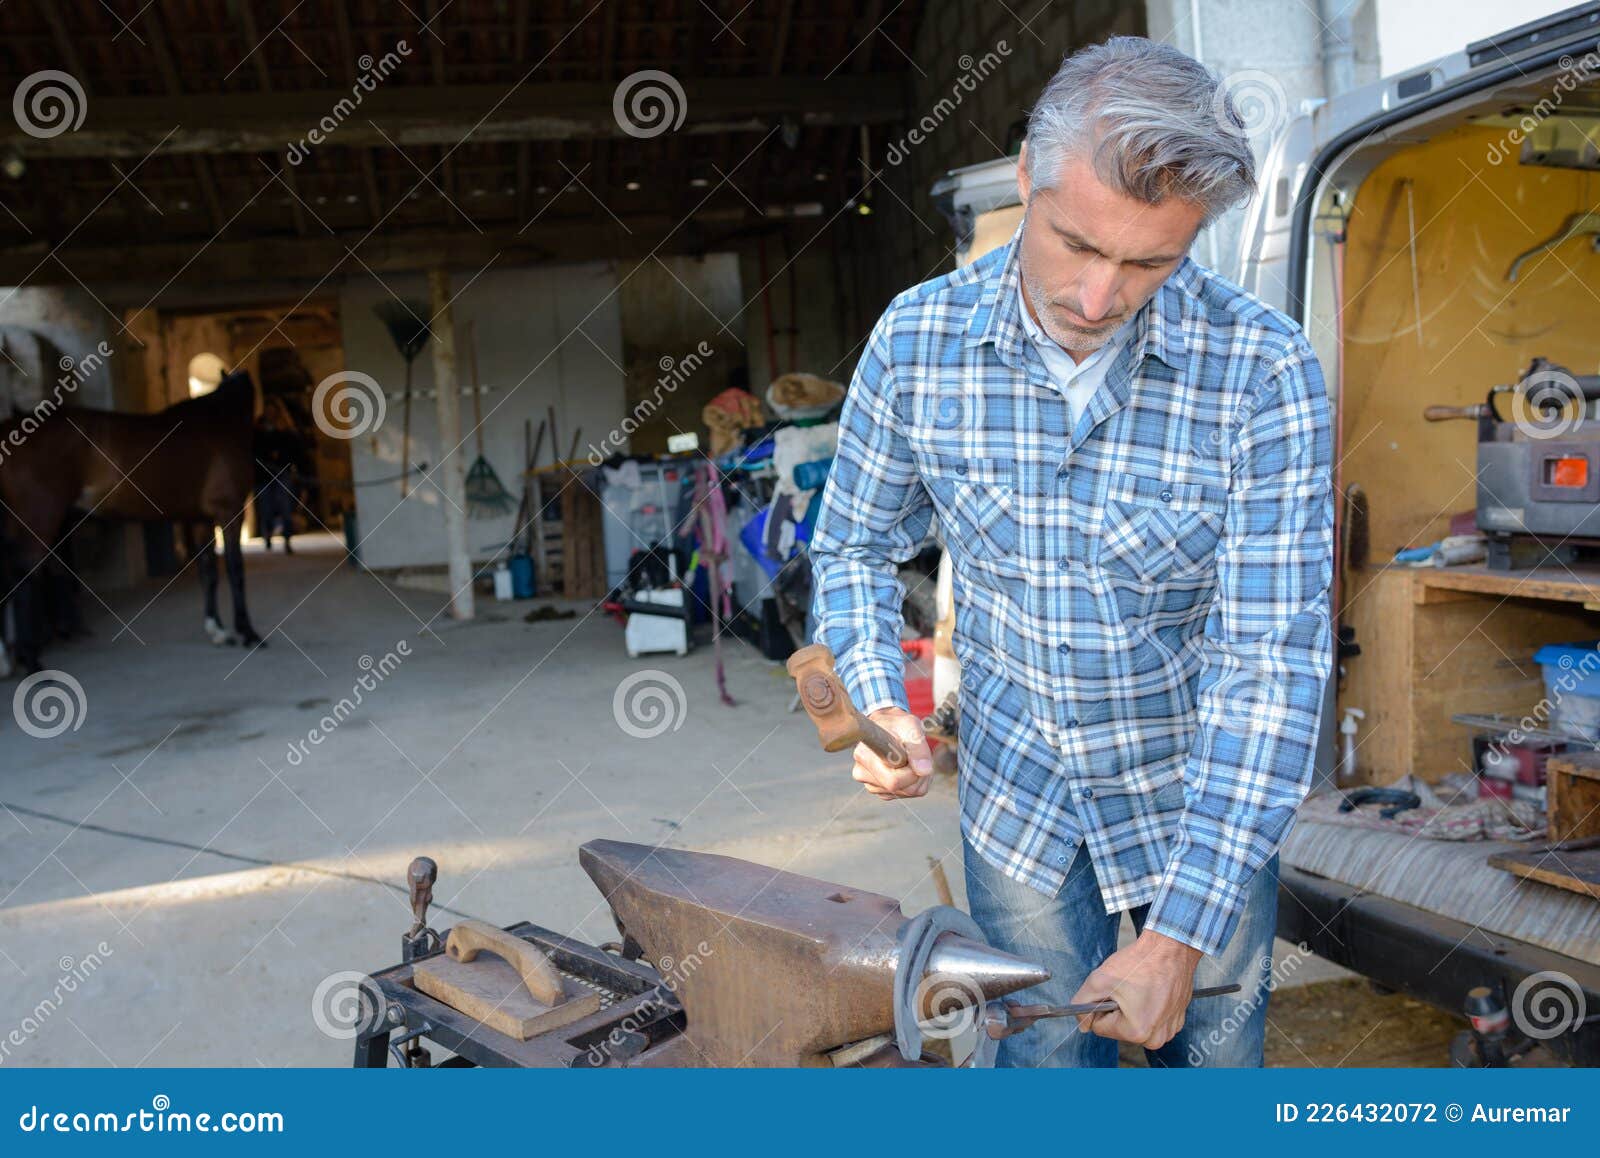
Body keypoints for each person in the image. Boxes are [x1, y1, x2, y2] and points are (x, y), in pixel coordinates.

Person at [809, 37, 1334, 1068]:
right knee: (1044, 1075)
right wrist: (879, 706)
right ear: (1025, 181)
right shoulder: (917, 344)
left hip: (1199, 811)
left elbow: (1269, 668)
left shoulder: (1263, 374)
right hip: (1020, 810)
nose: (1097, 300)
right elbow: (854, 546)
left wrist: (1178, 937)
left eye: (1147, 264)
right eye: (1074, 246)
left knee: (1216, 1073)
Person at [254, 402, 307, 554]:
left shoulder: (287, 432)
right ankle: (268, 536)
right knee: (266, 509)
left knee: (285, 508)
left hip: (283, 473)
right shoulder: (258, 431)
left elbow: (295, 452)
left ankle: (287, 540)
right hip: (264, 476)